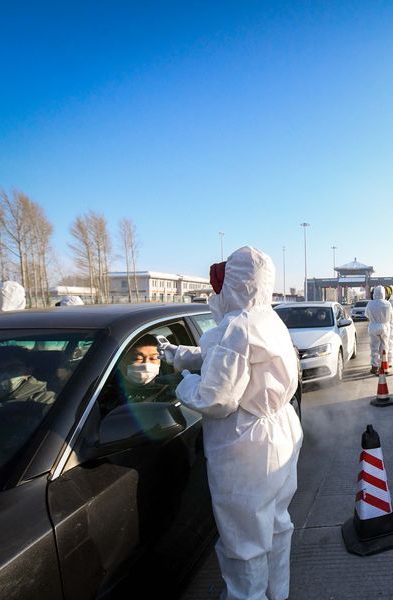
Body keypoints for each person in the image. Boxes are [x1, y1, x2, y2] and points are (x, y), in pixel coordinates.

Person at [164, 246, 302, 600]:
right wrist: (182, 355)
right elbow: (232, 358)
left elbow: (215, 398)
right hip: (279, 431)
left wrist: (184, 383)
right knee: (276, 526)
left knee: (244, 543)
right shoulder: (267, 319)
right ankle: (277, 594)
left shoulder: (236, 327)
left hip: (246, 445)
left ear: (235, 286)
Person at [116, 334, 174, 404]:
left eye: (153, 358)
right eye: (138, 359)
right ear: (122, 361)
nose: (146, 364)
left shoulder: (171, 390)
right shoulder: (106, 380)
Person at [365, 285, 392, 375]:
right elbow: (391, 316)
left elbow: (366, 315)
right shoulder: (388, 304)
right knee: (384, 346)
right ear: (384, 293)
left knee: (374, 347)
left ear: (374, 293)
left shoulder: (370, 303)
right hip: (385, 326)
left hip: (373, 326)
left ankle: (374, 366)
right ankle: (384, 365)